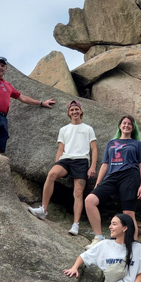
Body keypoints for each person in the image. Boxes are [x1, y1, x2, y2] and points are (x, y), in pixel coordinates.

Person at [28, 100, 98, 236]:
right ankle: (43, 209)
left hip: (81, 161)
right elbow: (60, 149)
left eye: (77, 109)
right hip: (65, 160)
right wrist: (57, 163)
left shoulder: (88, 129)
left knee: (78, 193)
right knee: (51, 174)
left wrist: (92, 166)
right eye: (72, 110)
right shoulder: (64, 129)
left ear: (81, 111)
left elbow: (94, 149)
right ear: (68, 113)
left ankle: (75, 224)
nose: (74, 112)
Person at [0, 56, 56, 154]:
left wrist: (42, 103)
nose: (0, 67)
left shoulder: (7, 85)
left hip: (2, 119)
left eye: (2, 65)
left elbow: (22, 98)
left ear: (6, 69)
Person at [83, 116, 141, 249]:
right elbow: (105, 165)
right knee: (90, 200)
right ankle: (98, 237)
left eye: (129, 124)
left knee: (128, 213)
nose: (126, 125)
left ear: (133, 127)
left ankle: (132, 246)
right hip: (112, 176)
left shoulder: (137, 144)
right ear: (119, 126)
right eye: (124, 123)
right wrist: (98, 184)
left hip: (130, 176)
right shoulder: (111, 143)